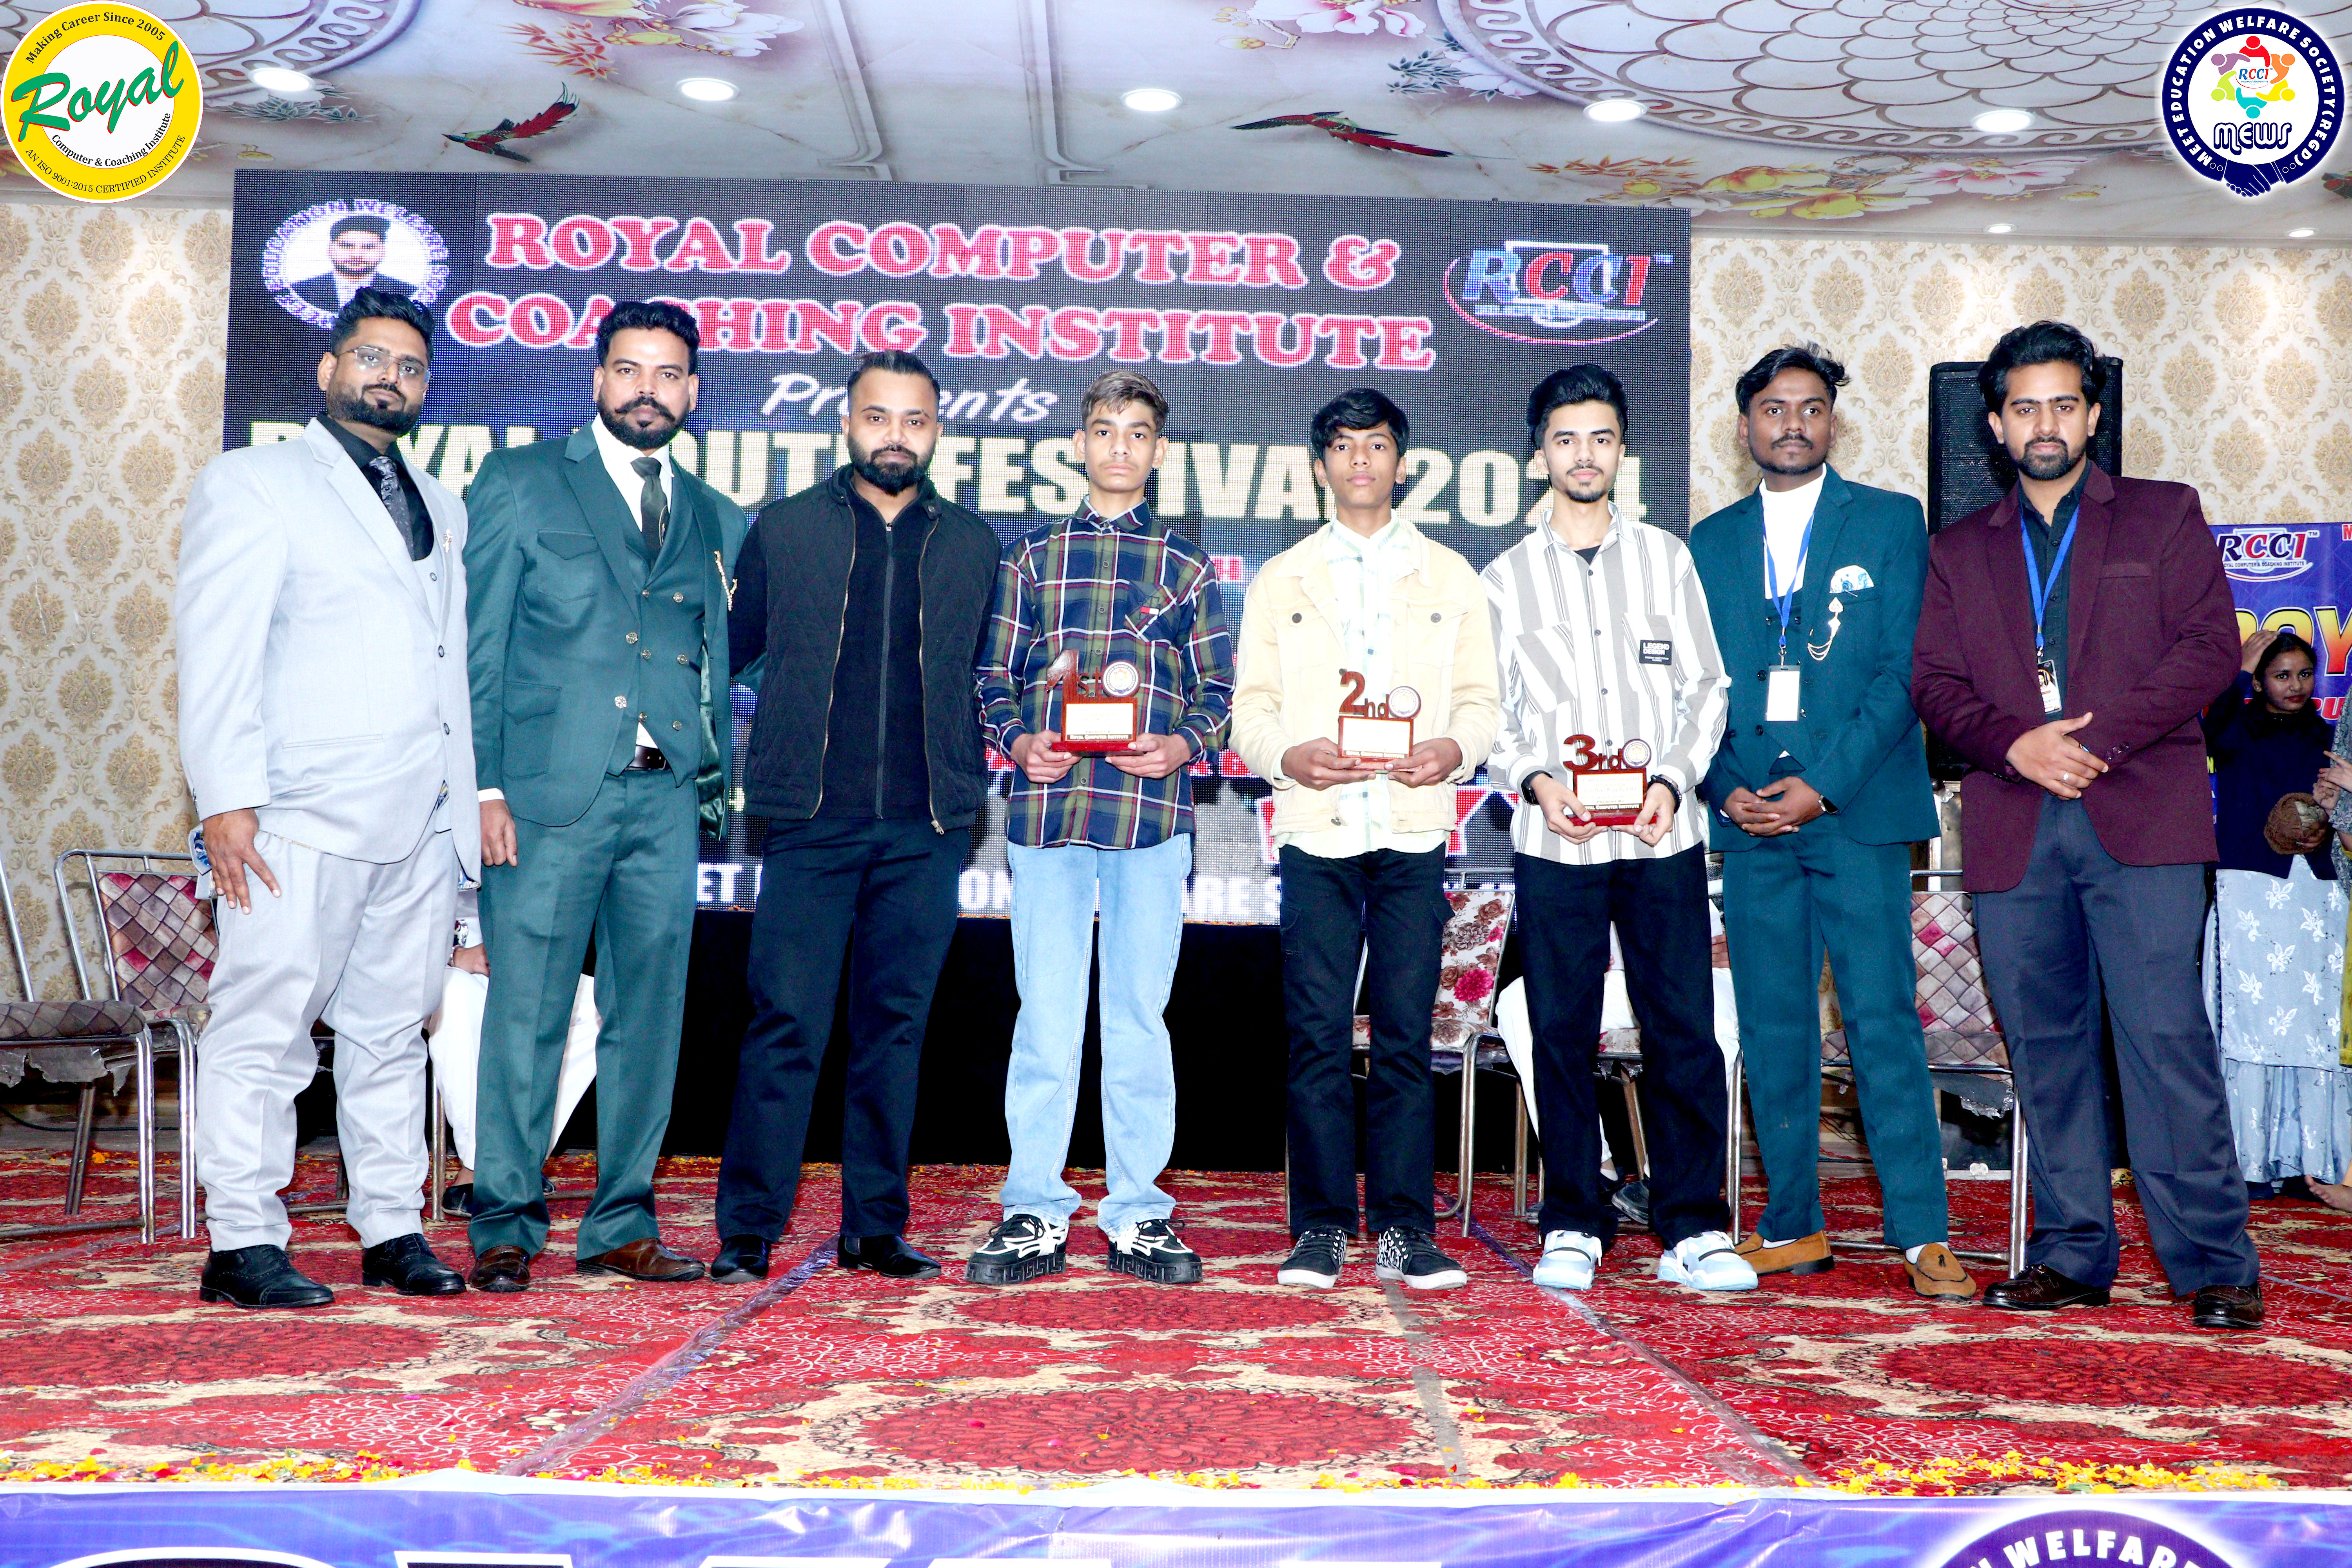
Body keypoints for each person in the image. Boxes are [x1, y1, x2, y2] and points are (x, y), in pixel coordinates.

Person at [1912, 318, 2261, 1330]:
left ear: (2094, 415)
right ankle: (2071, 1253)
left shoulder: (2164, 512)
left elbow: (2209, 652)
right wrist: (2016, 746)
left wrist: (2094, 742)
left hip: (2141, 815)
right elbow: (1933, 683)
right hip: (2016, 820)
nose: (2045, 424)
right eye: (2024, 407)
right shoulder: (1958, 550)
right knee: (2046, 1050)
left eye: (2063, 404)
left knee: (2165, 1041)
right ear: (1994, 424)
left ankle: (2215, 1263)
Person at [175, 288, 474, 1307]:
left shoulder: (442, 503)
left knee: (391, 1032)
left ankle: (391, 1227)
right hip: (293, 815)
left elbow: (447, 666)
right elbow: (217, 652)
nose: (391, 377)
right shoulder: (254, 483)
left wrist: (459, 812)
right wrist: (226, 800)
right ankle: (242, 1241)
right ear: (328, 370)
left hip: (420, 816)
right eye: (372, 358)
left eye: (410, 366)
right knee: (264, 1031)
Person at [461, 300, 746, 1293]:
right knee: (528, 1013)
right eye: (629, 370)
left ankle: (622, 1221)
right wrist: (484, 785)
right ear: (597, 379)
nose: (646, 391)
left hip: (665, 801)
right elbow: (479, 645)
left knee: (649, 1019)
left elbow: (722, 659)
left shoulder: (715, 515)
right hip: (546, 799)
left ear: (692, 392)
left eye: (668, 375)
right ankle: (504, 1220)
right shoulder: (520, 481)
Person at [707, 350, 1000, 1285]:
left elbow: (987, 677)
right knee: (786, 1025)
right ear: (847, 423)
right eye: (878, 417)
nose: (895, 437)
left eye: (915, 420)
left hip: (926, 829)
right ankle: (748, 1228)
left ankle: (875, 1226)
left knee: (894, 1030)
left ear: (936, 432)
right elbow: (728, 657)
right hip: (810, 822)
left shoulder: (973, 544)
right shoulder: (786, 529)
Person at [1690, 345, 1971, 1301]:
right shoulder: (1710, 541)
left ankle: (1922, 1231)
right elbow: (1693, 685)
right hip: (1750, 817)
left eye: (1811, 408)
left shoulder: (1889, 522)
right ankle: (1792, 1224)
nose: (1793, 424)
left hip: (1855, 812)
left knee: (1881, 1015)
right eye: (1774, 408)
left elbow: (1904, 673)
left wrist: (1824, 785)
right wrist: (1724, 784)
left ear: (1832, 422)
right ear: (1745, 426)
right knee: (1773, 1024)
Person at [1484, 364, 1751, 1294]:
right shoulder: (1504, 579)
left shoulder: (1665, 559)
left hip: (1658, 834)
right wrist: (1535, 778)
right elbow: (1493, 713)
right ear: (1539, 456)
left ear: (1622, 451)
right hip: (1556, 839)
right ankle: (1573, 1217)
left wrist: (1674, 780)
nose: (1584, 454)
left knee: (1683, 1026)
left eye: (1600, 437)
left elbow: (1706, 686)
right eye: (1565, 439)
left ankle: (1693, 1224)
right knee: (1559, 1029)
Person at [967, 368, 1234, 1287]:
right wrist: (1017, 741)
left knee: (1138, 1020)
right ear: (1079, 445)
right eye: (1105, 430)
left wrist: (1183, 742)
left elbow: (1219, 689)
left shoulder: (1188, 566)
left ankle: (1138, 1212)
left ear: (1159, 452)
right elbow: (992, 678)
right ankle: (1034, 1209)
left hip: (1149, 817)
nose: (1121, 446)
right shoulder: (1029, 558)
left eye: (1138, 433)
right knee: (1045, 1019)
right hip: (1048, 813)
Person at [1230, 388, 1499, 1290]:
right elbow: (1251, 710)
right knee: (1314, 1033)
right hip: (1318, 834)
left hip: (1413, 831)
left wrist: (1454, 749)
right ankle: (1318, 1226)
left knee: (1403, 1037)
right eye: (1343, 446)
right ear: (1320, 466)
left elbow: (1481, 701)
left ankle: (1405, 1227)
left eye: (1376, 445)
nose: (1360, 461)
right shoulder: (1283, 579)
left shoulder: (1450, 575)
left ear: (1402, 462)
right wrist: (1288, 755)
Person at [2201, 629, 2349, 1200]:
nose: (2296, 685)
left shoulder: (2330, 737)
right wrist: (2237, 670)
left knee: (2315, 1030)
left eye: (2305, 674)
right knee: (2249, 1029)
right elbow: (2205, 730)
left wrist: (2332, 816)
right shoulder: (2236, 729)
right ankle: (2249, 1163)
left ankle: (2311, 1164)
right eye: (2281, 675)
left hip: (2318, 891)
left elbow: (2342, 811)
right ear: (2261, 682)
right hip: (2251, 890)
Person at [424, 886, 598, 1217]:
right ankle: (480, 1167)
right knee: (456, 994)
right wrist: (456, 957)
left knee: (598, 1006)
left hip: (511, 960)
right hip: (434, 968)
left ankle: (521, 1157)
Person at [294, 214, 418, 314]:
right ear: (331, 249)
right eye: (347, 246)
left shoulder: (403, 293)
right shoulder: (302, 291)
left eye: (368, 247)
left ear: (382, 251)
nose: (357, 255)